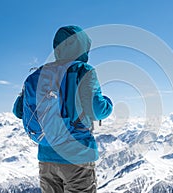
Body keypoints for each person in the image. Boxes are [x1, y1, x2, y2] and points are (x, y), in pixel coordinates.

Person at [13, 25, 113, 193]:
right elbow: (97, 110)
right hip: (77, 156)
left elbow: (18, 111)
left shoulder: (39, 74)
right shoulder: (83, 70)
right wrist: (109, 103)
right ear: (82, 47)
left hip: (46, 158)